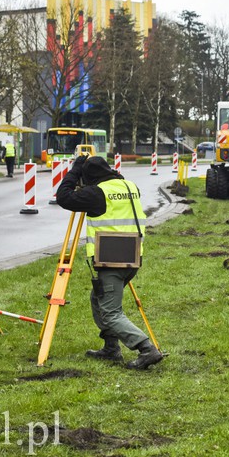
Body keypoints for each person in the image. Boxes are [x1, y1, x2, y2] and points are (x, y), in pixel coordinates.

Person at [56, 155, 164, 370]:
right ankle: (111, 348)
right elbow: (115, 181)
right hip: (132, 255)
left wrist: (75, 171)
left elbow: (64, 197)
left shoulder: (97, 193)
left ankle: (146, 349)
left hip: (110, 258)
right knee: (97, 298)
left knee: (110, 312)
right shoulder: (129, 185)